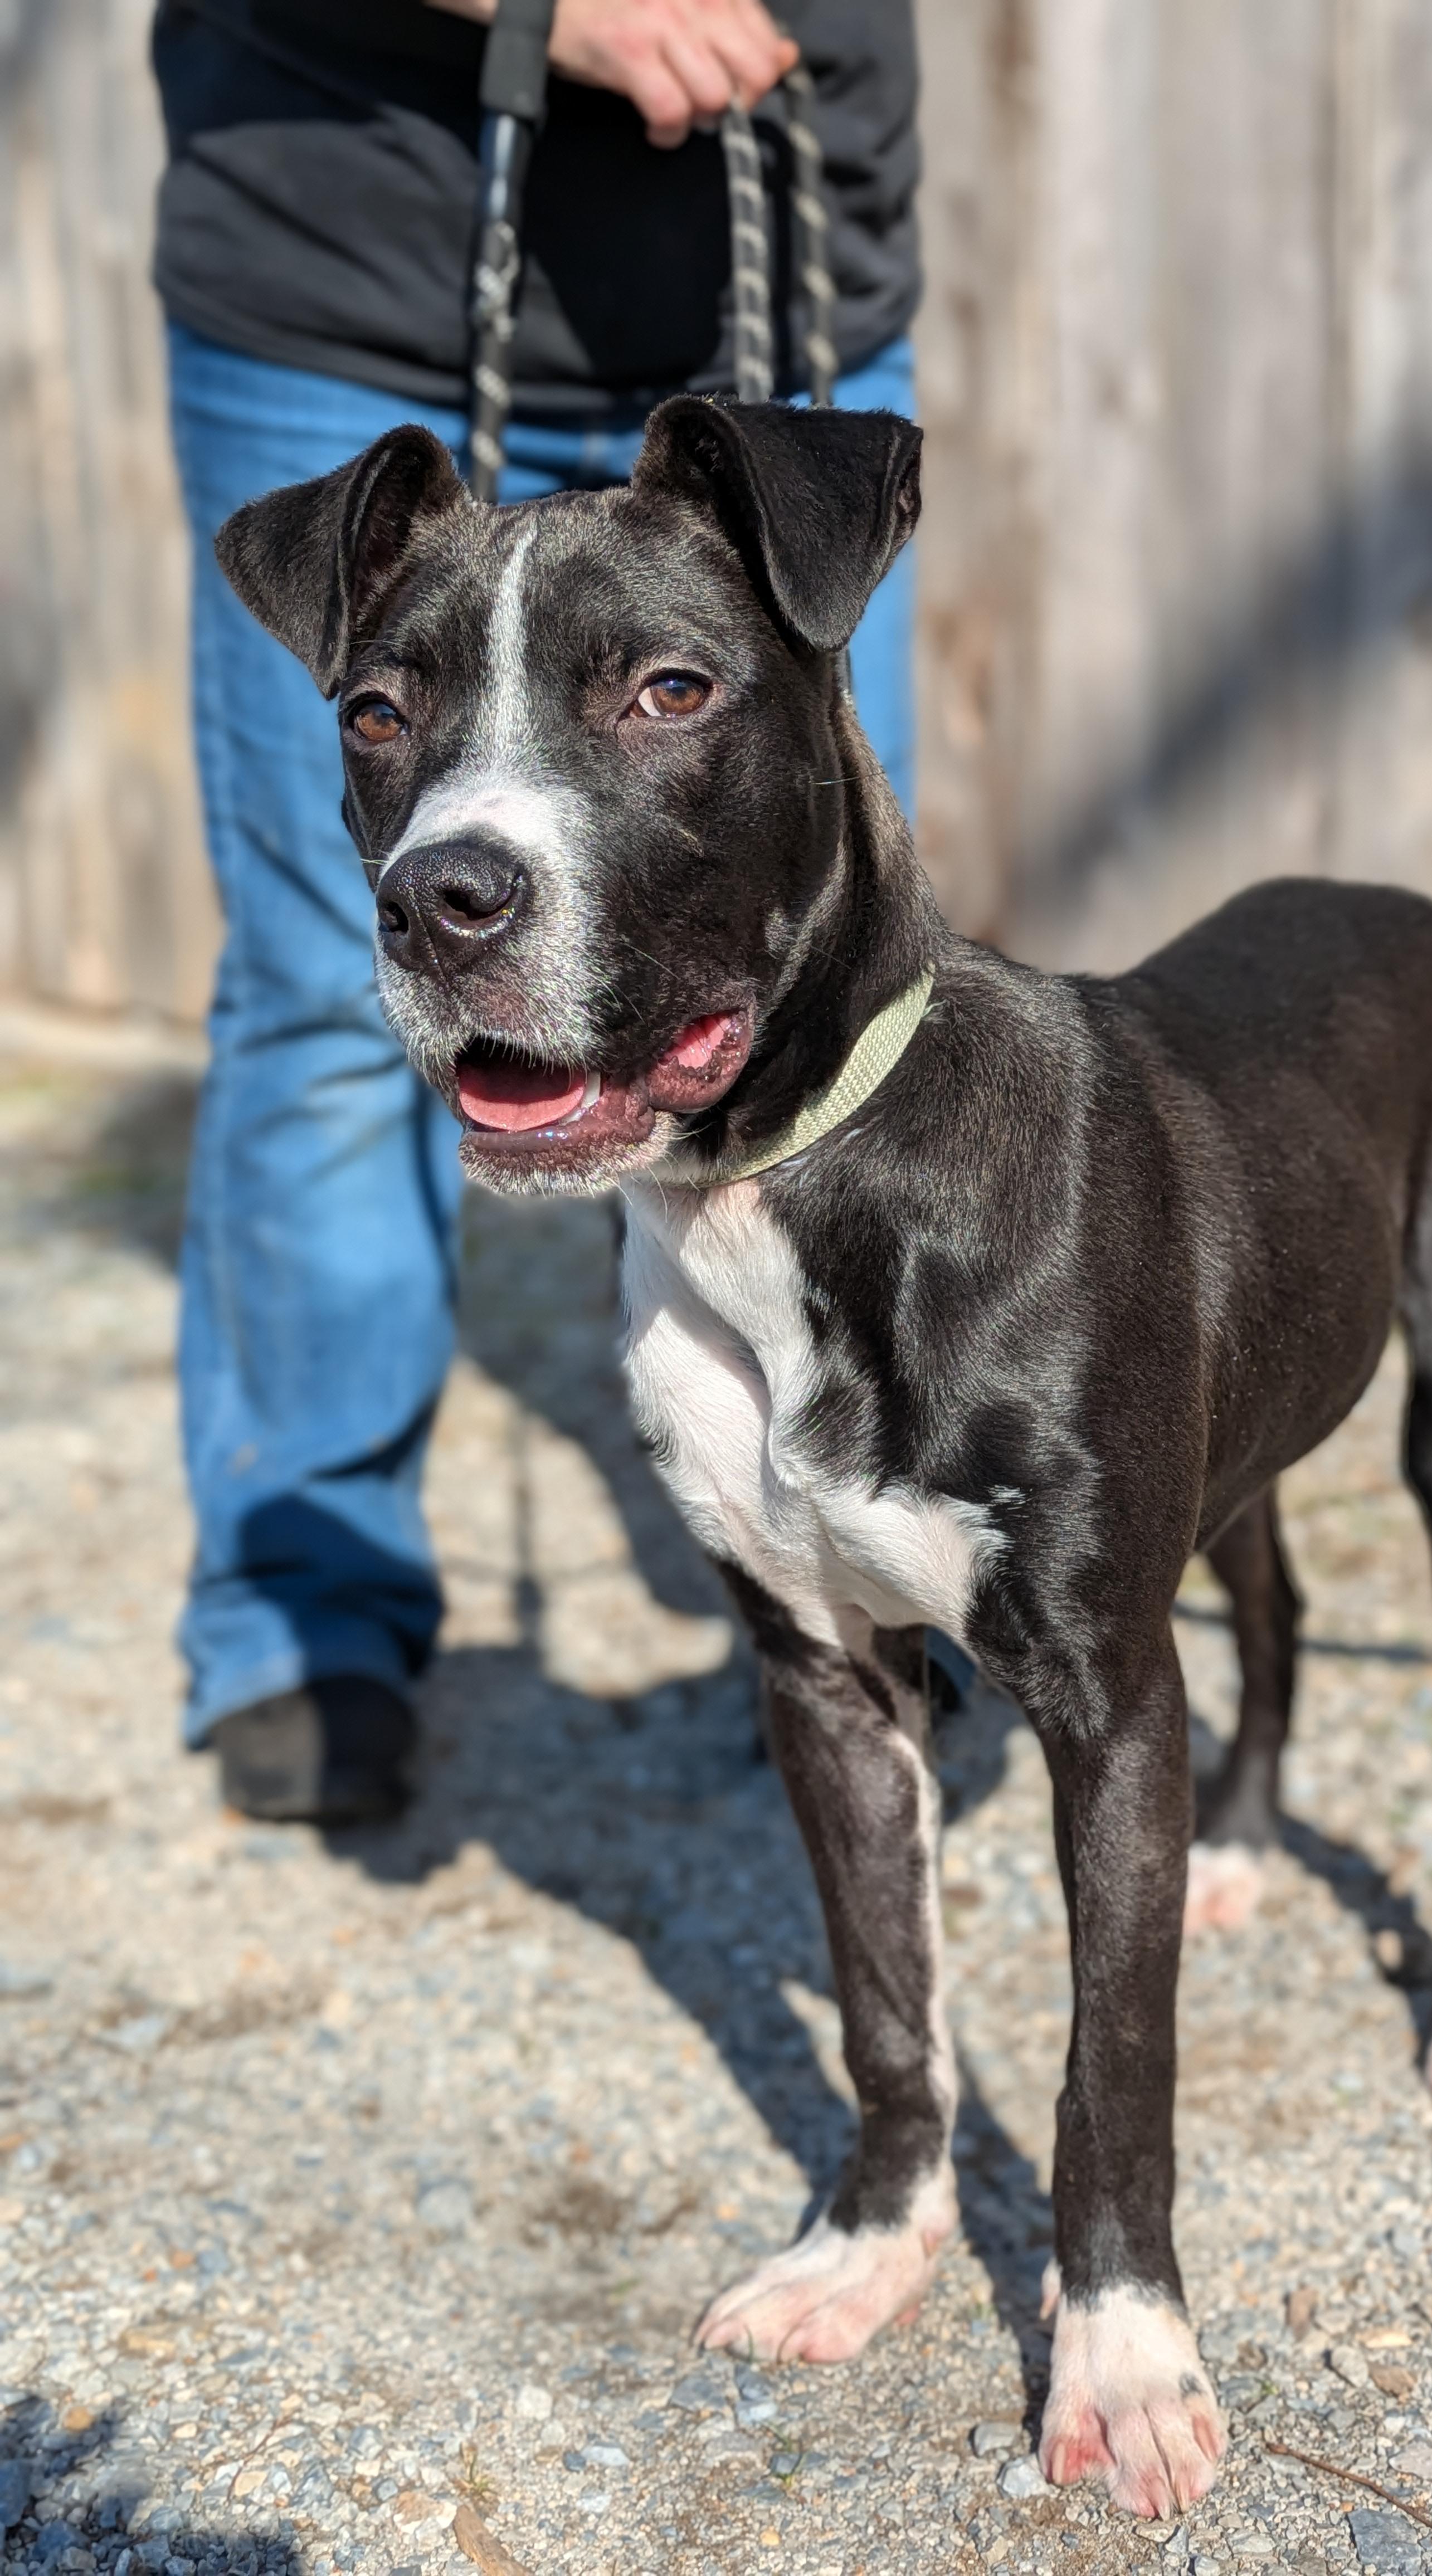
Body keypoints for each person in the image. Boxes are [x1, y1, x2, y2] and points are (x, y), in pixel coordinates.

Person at [152, 0, 921, 1821]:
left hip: (789, 221)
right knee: (336, 999)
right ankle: (300, 1606)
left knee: (816, 985)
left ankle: (865, 1573)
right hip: (350, 244)